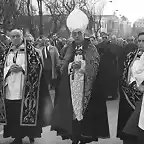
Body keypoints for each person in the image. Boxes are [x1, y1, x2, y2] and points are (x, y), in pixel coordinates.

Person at [51, 8, 109, 144]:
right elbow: (62, 64)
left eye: (78, 33)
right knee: (71, 112)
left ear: (83, 33)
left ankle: (83, 137)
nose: (76, 36)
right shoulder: (67, 48)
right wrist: (70, 66)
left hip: (86, 87)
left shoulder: (91, 48)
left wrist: (82, 67)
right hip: (71, 86)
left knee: (84, 114)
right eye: (74, 33)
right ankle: (74, 136)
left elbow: (95, 66)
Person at [0, 29, 53, 144]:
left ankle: (29, 134)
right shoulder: (7, 51)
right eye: (12, 36)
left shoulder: (31, 51)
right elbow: (2, 66)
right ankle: (17, 136)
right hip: (10, 87)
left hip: (25, 88)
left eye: (17, 36)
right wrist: (9, 69)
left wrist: (22, 68)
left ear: (22, 36)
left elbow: (37, 66)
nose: (15, 39)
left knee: (25, 111)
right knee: (13, 112)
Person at [117, 32, 144, 144]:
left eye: (143, 41)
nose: (141, 43)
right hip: (129, 93)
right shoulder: (131, 55)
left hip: (142, 95)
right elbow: (125, 72)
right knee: (128, 126)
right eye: (139, 41)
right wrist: (133, 85)